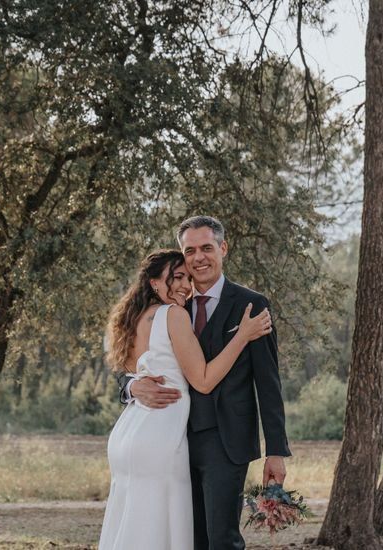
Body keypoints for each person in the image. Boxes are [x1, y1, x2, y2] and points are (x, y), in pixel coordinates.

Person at [120, 215, 291, 550]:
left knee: (221, 539)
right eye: (190, 251)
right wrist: (130, 387)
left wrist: (276, 451)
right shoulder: (167, 308)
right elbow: (131, 362)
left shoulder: (251, 305)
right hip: (172, 441)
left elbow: (268, 383)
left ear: (223, 248)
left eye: (207, 248)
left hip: (225, 444)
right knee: (186, 538)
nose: (199, 257)